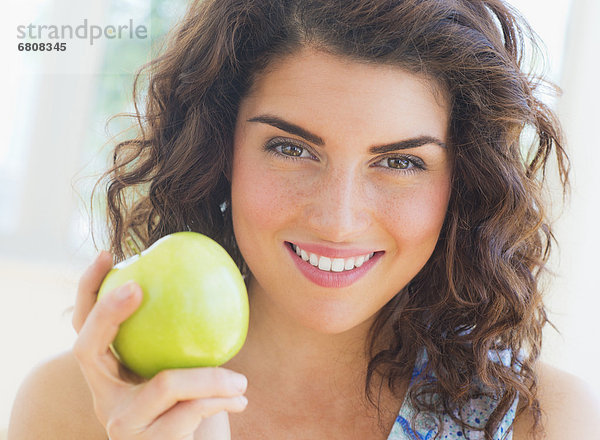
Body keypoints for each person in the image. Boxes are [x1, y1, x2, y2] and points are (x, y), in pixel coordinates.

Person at [8, 0, 600, 439]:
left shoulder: (540, 421)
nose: (338, 220)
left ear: (463, 183)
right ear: (219, 148)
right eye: (292, 148)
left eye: (400, 161)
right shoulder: (73, 410)